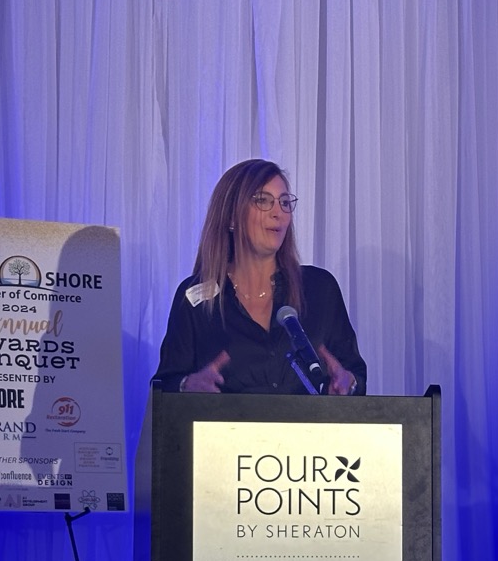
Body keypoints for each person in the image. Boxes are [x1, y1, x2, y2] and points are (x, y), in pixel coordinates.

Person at [155, 158, 367, 395]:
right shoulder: (195, 299)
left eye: (284, 202)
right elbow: (164, 386)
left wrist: (348, 383)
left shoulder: (320, 289)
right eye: (263, 201)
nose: (278, 213)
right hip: (225, 420)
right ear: (231, 217)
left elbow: (354, 374)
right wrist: (187, 386)